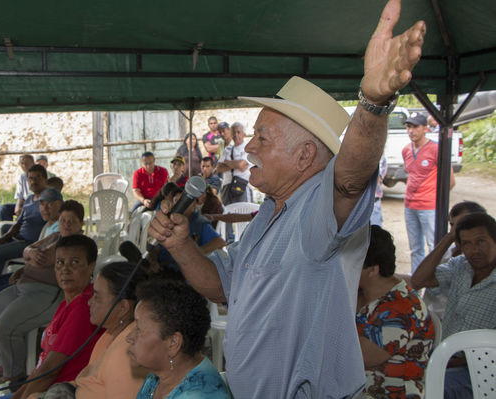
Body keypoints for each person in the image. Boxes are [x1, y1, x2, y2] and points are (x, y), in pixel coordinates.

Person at [148, 0, 427, 395]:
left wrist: (373, 102)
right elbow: (223, 287)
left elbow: (349, 178)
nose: (250, 149)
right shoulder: (270, 211)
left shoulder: (317, 210)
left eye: (264, 138)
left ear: (305, 156)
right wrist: (179, 244)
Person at [0, 199, 84, 387]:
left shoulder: (78, 245)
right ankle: (0, 367)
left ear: (81, 224)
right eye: (62, 220)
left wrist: (31, 256)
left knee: (5, 327)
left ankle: (14, 376)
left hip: (46, 292)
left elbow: (43, 258)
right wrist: (30, 254)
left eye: (71, 221)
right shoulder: (54, 237)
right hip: (23, 284)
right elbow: (29, 249)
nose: (66, 225)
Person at [2, 235, 104, 399]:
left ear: (91, 267)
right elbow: (42, 365)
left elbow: (49, 371)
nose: (65, 269)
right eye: (60, 263)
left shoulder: (84, 308)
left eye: (75, 262)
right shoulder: (68, 303)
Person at [411, 212, 496, 399]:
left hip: (482, 372)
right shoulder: (461, 265)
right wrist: (449, 238)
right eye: (466, 243)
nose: (474, 250)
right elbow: (418, 280)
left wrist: (442, 360)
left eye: (481, 241)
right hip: (444, 358)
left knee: (419, 389)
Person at [43, 262, 149, 399]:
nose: (89, 302)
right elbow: (85, 382)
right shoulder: (109, 334)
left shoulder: (126, 354)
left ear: (123, 307)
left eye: (97, 297)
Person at [357, 225, 434, 398]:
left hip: (389, 392)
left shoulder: (402, 307)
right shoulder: (362, 294)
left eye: (352, 263)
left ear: (373, 270)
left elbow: (362, 357)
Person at [128, 279, 230, 399]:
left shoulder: (197, 395)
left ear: (173, 343)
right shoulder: (158, 377)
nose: (129, 337)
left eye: (139, 329)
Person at [402, 112, 455, 272]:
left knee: (435, 247)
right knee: (415, 249)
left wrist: (434, 199)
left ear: (425, 128)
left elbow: (450, 181)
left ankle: (437, 285)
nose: (411, 131)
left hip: (429, 208)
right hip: (410, 206)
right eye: (409, 127)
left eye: (415, 127)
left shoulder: (436, 149)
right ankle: (416, 286)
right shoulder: (406, 150)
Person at [421, 201, 487, 319]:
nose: (455, 232)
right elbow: (418, 280)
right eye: (452, 226)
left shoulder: (478, 263)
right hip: (428, 318)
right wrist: (449, 238)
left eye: (461, 225)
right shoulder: (447, 252)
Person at [0, 164, 47, 277]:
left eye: (38, 178)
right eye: (30, 178)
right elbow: (19, 223)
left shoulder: (48, 201)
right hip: (19, 237)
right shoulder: (29, 199)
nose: (33, 181)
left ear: (45, 180)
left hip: (32, 243)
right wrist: (4, 238)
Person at [216, 122, 252, 204]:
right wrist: (235, 164)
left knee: (243, 213)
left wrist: (226, 162)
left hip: (242, 185)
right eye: (234, 133)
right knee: (227, 213)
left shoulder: (247, 148)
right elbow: (219, 168)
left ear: (244, 134)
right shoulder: (227, 149)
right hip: (227, 186)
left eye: (238, 132)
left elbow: (241, 165)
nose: (236, 135)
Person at [1, 155, 35, 221]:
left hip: (34, 204)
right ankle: (8, 228)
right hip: (24, 203)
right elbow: (20, 195)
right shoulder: (22, 177)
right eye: (22, 163)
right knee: (5, 208)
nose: (24, 165)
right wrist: (18, 206)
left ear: (33, 163)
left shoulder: (38, 175)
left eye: (27, 163)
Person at [370, 154, 387, 226]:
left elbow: (376, 180)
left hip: (373, 203)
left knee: (375, 232)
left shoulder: (379, 155)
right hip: (359, 205)